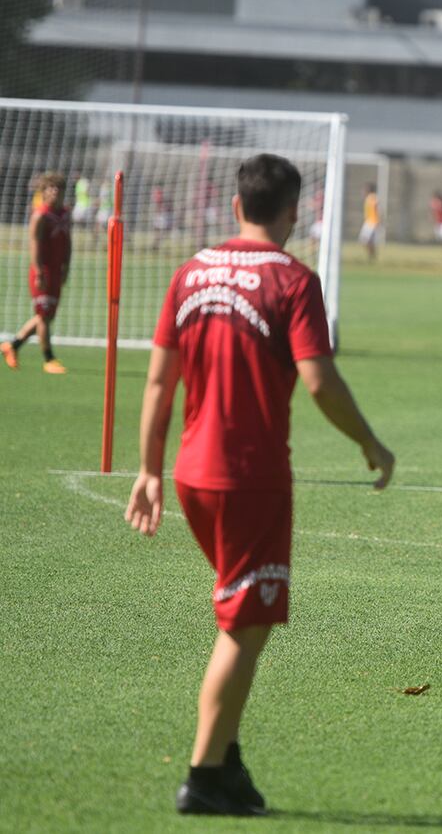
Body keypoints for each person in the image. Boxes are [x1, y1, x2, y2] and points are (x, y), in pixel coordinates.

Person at [124, 153, 396, 816]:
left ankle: (229, 757)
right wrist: (367, 439)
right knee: (244, 626)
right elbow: (319, 378)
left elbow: (160, 380)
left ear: (237, 205)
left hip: (192, 472)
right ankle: (204, 774)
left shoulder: (190, 272)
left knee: (242, 614)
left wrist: (148, 470)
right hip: (249, 477)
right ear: (292, 212)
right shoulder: (293, 280)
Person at [2, 172, 72, 374]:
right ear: (44, 191)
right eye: (51, 188)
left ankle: (12, 346)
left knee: (47, 316)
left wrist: (66, 265)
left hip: (57, 270)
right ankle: (49, 359)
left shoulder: (65, 214)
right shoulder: (40, 215)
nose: (55, 192)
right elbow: (34, 244)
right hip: (42, 270)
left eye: (59, 188)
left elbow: (68, 241)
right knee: (43, 315)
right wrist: (39, 271)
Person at [359, 182, 381, 261]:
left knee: (365, 240)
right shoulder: (369, 198)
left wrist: (379, 220)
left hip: (372, 222)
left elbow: (377, 209)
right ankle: (372, 256)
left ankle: (372, 256)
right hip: (369, 222)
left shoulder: (372, 198)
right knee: (367, 241)